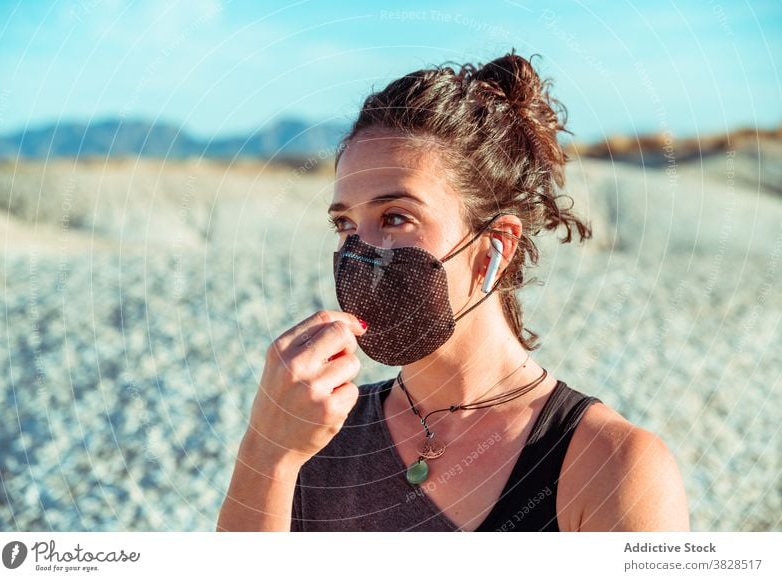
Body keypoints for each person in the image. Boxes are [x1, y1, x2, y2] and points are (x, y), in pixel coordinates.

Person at [217, 48, 689, 532]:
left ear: (495, 246)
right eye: (345, 224)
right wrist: (267, 450)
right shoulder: (317, 433)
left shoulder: (610, 465)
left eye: (396, 218)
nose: (360, 251)